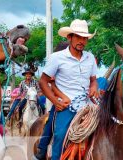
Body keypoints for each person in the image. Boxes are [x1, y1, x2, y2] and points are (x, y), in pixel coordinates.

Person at [37, 19, 99, 160]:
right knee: (60, 135)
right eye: (78, 37)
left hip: (88, 105)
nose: (81, 41)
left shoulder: (90, 58)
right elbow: (43, 81)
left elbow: (93, 80)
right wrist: (55, 101)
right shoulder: (57, 58)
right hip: (67, 106)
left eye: (84, 38)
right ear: (69, 37)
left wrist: (94, 87)